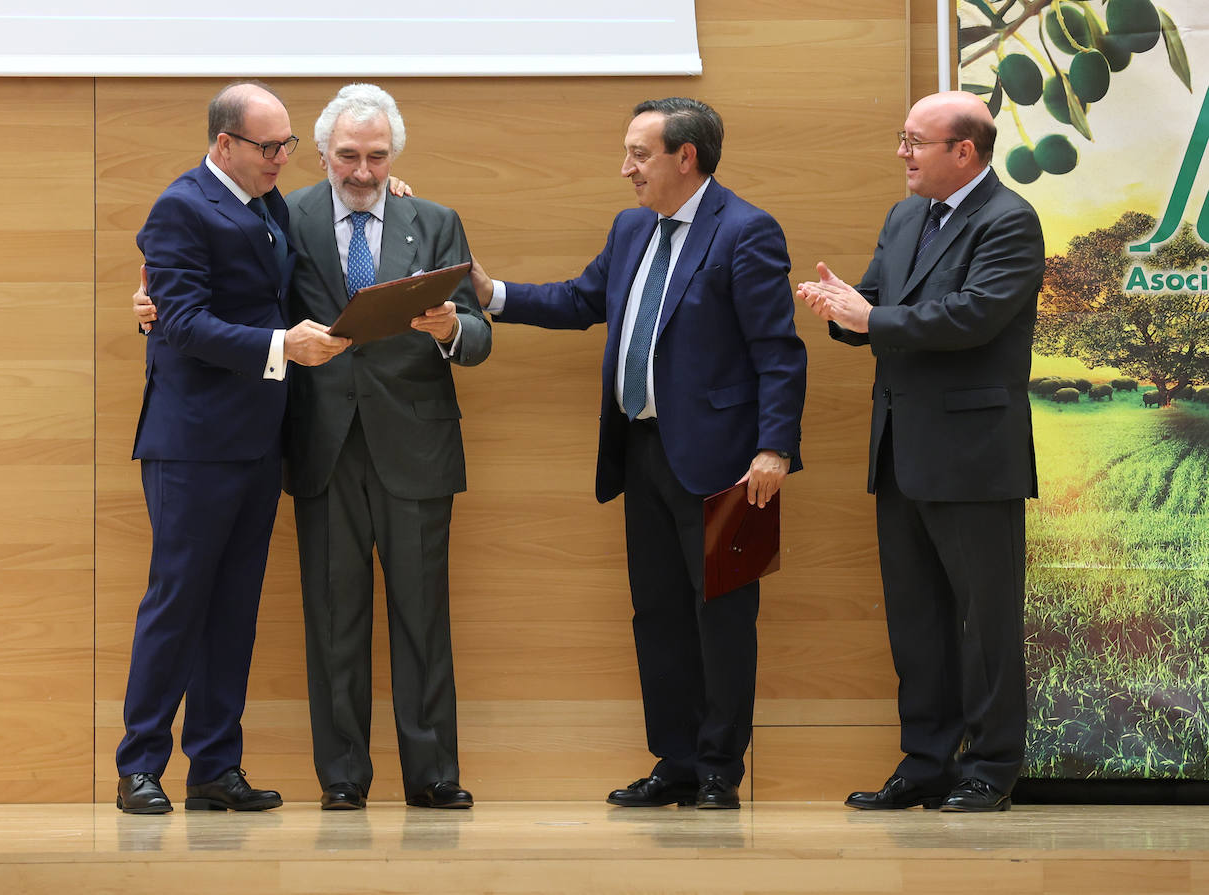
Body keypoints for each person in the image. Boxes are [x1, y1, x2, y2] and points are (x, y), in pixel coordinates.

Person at [136, 83, 488, 811]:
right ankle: (333, 779)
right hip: (308, 440)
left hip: (407, 445)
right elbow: (211, 298)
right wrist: (154, 310)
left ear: (395, 157)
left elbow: (478, 329)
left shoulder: (429, 218)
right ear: (322, 155)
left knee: (409, 619)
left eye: (378, 158)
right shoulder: (278, 211)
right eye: (348, 156)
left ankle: (424, 774)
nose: (363, 173)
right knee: (320, 619)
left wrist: (455, 330)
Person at [470, 97, 807, 810]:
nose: (626, 169)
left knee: (722, 619)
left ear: (685, 157)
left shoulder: (747, 231)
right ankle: (676, 761)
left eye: (639, 154)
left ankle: (720, 769)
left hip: (729, 465)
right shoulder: (632, 229)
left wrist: (775, 446)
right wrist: (490, 292)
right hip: (644, 452)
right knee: (657, 615)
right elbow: (580, 299)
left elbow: (778, 353)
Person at [797, 90, 1044, 813]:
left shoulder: (1010, 221)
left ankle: (990, 766)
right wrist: (845, 310)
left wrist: (871, 316)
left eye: (914, 140)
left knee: (984, 620)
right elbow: (878, 305)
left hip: (973, 454)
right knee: (917, 619)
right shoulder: (906, 215)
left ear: (963, 152)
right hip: (900, 448)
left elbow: (970, 317)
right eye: (901, 137)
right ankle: (926, 760)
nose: (901, 152)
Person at [117, 81, 350, 815]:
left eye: (287, 143)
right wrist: (283, 344)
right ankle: (139, 765)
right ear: (225, 144)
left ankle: (215, 766)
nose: (284, 156)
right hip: (193, 442)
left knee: (234, 608)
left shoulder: (266, 200)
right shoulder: (182, 206)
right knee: (179, 600)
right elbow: (179, 321)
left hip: (254, 439)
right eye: (270, 145)